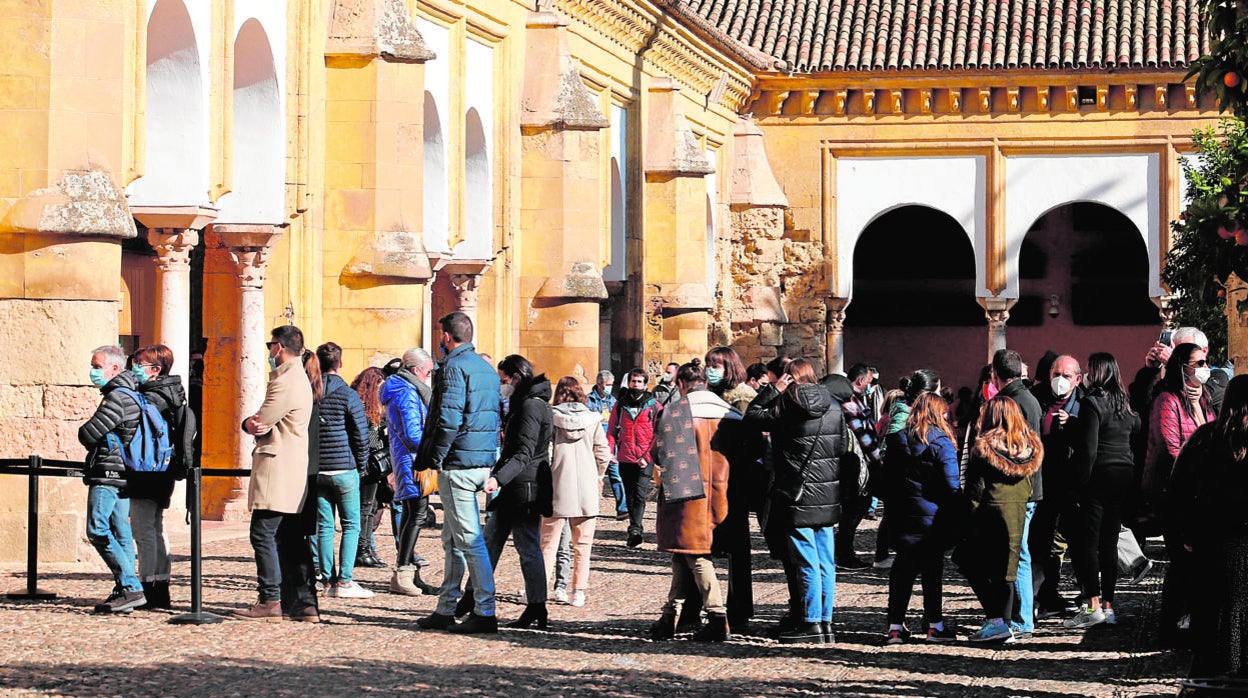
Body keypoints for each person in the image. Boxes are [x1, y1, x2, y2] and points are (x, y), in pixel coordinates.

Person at [745, 359, 845, 644]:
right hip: (827, 494)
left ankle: (811, 622)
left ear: (790, 379)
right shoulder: (835, 406)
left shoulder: (786, 405)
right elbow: (840, 448)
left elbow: (752, 416)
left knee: (806, 561)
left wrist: (773, 390)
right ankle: (825, 622)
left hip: (797, 494)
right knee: (826, 560)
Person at [415, 312, 502, 634]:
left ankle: (485, 609)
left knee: (468, 539)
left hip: (459, 463)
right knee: (452, 539)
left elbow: (448, 419)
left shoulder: (453, 367)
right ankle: (446, 607)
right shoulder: (485, 368)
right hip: (480, 459)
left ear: (447, 336)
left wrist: (434, 458)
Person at [648, 359, 738, 643]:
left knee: (696, 554)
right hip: (724, 492)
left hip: (688, 494)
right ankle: (670, 614)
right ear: (706, 382)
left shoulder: (675, 413)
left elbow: (657, 453)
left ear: (681, 384)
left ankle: (716, 616)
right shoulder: (731, 413)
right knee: (683, 552)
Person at [233, 325, 316, 622]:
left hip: (277, 468)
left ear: (278, 347)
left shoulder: (286, 380)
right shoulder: (297, 377)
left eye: (271, 346)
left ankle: (270, 599)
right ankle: (297, 602)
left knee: (263, 534)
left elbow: (262, 420)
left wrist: (247, 424)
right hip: (289, 467)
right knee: (286, 538)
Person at [1171, 374, 1248, 678]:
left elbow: (1178, 488)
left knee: (1216, 609)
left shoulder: (1206, 438)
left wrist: (1188, 532)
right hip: (1232, 534)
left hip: (1213, 537)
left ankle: (1217, 671)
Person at [1064, 352, 1140, 629]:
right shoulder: (1125, 404)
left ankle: (1092, 603)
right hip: (1124, 473)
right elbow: (1136, 428)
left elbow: (1089, 449)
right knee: (1110, 541)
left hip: (1098, 475)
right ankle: (1109, 605)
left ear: (1095, 373)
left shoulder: (1092, 403)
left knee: (1088, 542)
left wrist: (1079, 483)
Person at [1147, 342, 1216, 641]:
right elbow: (1170, 446)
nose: (1203, 369)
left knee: (1196, 559)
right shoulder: (1168, 399)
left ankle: (1188, 618)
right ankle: (1169, 624)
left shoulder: (1205, 400)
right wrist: (1200, 470)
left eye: (1205, 362)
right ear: (1182, 367)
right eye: (1197, 363)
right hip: (1175, 490)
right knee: (1181, 557)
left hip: (1202, 491)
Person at [881, 386, 960, 644]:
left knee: (902, 570)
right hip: (932, 517)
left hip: (902, 515)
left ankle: (895, 627)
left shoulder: (897, 439)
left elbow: (887, 480)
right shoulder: (941, 442)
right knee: (932, 571)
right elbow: (951, 485)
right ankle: (934, 625)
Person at [960, 397, 1043, 642]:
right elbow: (1028, 488)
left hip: (988, 515)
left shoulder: (983, 449)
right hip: (1016, 515)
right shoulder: (1030, 449)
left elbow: (974, 492)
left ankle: (997, 622)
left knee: (971, 564)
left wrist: (967, 520)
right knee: (1008, 570)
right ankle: (1009, 622)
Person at [481, 355, 553, 629]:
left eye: (503, 380)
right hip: (517, 485)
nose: (502, 386)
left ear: (515, 377)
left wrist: (497, 479)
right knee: (490, 543)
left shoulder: (531, 406)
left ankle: (537, 606)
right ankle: (473, 596)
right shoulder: (528, 403)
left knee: (527, 547)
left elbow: (523, 453)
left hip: (524, 488)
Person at [78, 344, 147, 613]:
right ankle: (126, 589)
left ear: (114, 368)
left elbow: (88, 433)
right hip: (123, 472)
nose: (93, 371)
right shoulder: (130, 393)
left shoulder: (117, 397)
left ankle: (130, 586)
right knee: (120, 531)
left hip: (109, 471)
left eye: (97, 367)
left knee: (97, 528)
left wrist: (85, 433)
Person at [129, 344, 196, 610]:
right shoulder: (173, 393)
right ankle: (161, 585)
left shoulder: (152, 397)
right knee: (156, 528)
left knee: (144, 530)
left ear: (156, 370)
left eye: (138, 364)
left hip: (147, 469)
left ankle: (149, 588)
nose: (133, 368)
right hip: (163, 469)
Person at [542, 376, 612, 609]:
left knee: (548, 543)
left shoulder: (552, 418)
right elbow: (603, 454)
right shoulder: (593, 420)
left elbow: (547, 453)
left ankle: (539, 588)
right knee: (583, 545)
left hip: (557, 485)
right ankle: (578, 592)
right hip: (586, 488)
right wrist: (598, 476)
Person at [312, 342, 372, 599]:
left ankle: (327, 580)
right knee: (351, 524)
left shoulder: (309, 391)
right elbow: (360, 433)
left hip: (317, 467)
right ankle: (345, 581)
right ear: (340, 363)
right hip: (344, 466)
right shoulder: (347, 394)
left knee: (324, 526)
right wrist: (362, 463)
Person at [990, 349, 1043, 639]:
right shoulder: (1030, 399)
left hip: (1019, 489)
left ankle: (1022, 619)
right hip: (1032, 486)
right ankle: (1021, 616)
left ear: (995, 374)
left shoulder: (1010, 401)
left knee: (1018, 554)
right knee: (1020, 552)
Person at [381, 348, 439, 596]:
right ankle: (403, 571)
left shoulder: (405, 388)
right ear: (416, 370)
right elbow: (413, 434)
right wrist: (436, 445)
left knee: (411, 513)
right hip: (412, 461)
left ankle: (409, 573)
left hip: (412, 460)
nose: (429, 376)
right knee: (416, 514)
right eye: (427, 372)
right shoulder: (405, 391)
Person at [1031, 355, 1083, 619]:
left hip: (1072, 484)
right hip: (1042, 483)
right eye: (1056, 374)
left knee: (1076, 542)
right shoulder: (1035, 399)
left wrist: (1073, 427)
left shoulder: (1084, 404)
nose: (1060, 380)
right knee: (1040, 542)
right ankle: (1041, 595)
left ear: (1078, 379)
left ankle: (1088, 597)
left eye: (1066, 375)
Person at [826, 364, 882, 571]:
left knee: (854, 507)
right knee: (854, 507)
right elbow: (863, 435)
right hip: (853, 464)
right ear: (860, 381)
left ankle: (842, 549)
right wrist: (878, 459)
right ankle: (844, 552)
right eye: (869, 381)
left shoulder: (847, 398)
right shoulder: (849, 401)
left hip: (848, 462)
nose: (870, 386)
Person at [608, 369, 661, 548]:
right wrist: (610, 452)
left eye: (639, 382)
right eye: (633, 381)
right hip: (625, 456)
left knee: (640, 494)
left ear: (645, 385)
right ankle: (634, 527)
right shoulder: (620, 404)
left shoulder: (654, 405)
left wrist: (647, 456)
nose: (636, 385)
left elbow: (658, 433)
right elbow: (611, 430)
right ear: (629, 383)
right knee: (630, 494)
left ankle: (635, 530)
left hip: (644, 457)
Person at [348, 366, 389, 569]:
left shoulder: (359, 404)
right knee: (366, 508)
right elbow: (370, 440)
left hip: (367, 463)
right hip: (368, 464)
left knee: (370, 507)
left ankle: (365, 549)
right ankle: (362, 551)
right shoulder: (366, 410)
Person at [587, 369, 627, 520]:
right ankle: (591, 507)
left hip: (611, 443)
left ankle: (622, 508)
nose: (610, 387)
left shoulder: (613, 401)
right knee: (594, 476)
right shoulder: (589, 400)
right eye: (607, 385)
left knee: (616, 475)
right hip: (595, 443)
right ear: (599, 384)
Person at [706, 346, 756, 412]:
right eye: (707, 366)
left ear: (729, 368)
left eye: (715, 367)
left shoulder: (742, 397)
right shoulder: (714, 391)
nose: (709, 370)